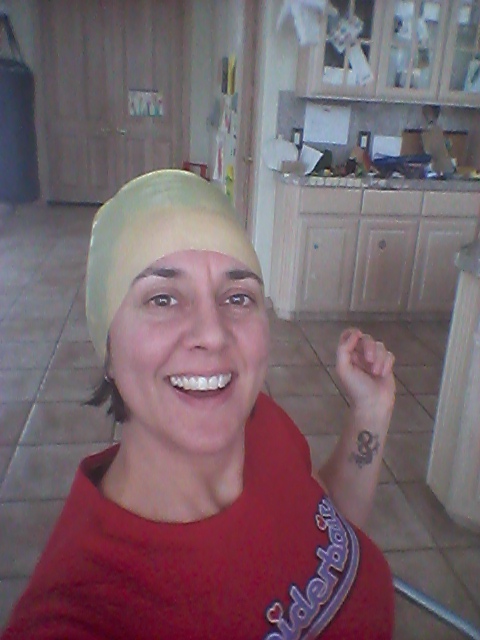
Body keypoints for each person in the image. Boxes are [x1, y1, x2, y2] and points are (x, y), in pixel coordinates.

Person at [2, 170, 396, 639]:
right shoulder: (79, 610)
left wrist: (370, 411)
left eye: (238, 297)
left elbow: (327, 524)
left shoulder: (264, 424)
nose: (212, 333)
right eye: (162, 299)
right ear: (108, 351)